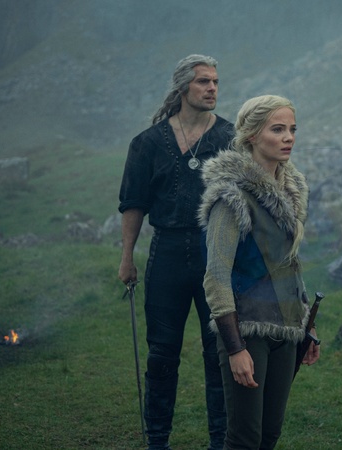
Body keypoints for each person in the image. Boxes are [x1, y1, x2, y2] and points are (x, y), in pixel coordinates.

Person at [118, 54, 234, 450]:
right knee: (162, 353)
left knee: (219, 352)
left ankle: (220, 441)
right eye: (204, 81)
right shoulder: (148, 143)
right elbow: (133, 204)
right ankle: (157, 441)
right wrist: (126, 257)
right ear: (183, 87)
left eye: (215, 81)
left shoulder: (230, 138)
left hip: (215, 254)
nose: (212, 88)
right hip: (166, 253)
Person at [198, 95, 320, 450]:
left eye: (292, 129)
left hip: (287, 329)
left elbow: (289, 265)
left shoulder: (291, 190)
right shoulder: (231, 197)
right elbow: (216, 276)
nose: (288, 137)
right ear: (252, 135)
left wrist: (307, 325)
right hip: (247, 329)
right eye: (277, 129)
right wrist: (235, 348)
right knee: (244, 439)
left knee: (269, 435)